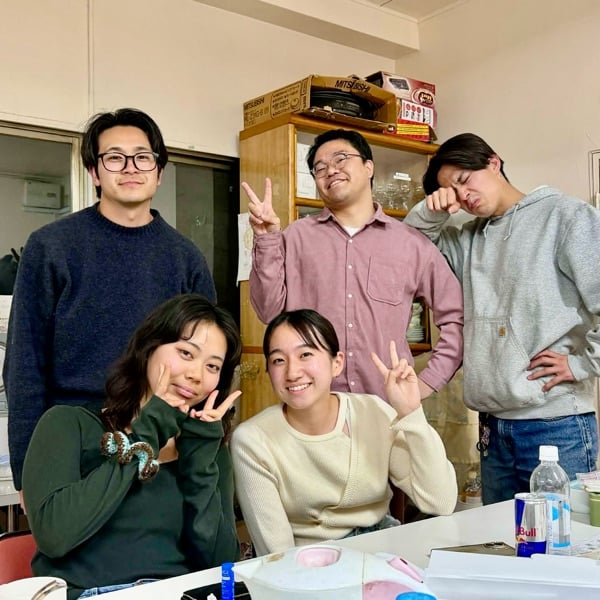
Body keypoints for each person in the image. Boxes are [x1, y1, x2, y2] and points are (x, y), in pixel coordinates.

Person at [4, 107, 216, 493]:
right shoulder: (51, 247)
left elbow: (207, 360)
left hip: (163, 439)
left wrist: (198, 447)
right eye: (115, 157)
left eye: (143, 157)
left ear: (159, 171)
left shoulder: (186, 259)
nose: (130, 167)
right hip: (74, 440)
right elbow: (24, 363)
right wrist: (26, 470)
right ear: (94, 172)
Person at [404, 132, 600, 504]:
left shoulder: (565, 216)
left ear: (493, 162)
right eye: (453, 192)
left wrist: (581, 364)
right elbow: (409, 246)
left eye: (464, 180)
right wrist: (431, 209)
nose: (464, 196)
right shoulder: (466, 239)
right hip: (493, 427)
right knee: (501, 538)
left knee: (561, 538)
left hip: (557, 425)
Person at [22, 294, 241, 599]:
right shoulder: (68, 424)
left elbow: (222, 565)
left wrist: (200, 458)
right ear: (149, 347)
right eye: (186, 353)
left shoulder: (205, 449)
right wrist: (146, 434)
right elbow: (54, 536)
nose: (196, 375)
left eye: (213, 366)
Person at [242, 128, 463, 402]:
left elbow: (456, 318)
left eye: (341, 159)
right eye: (319, 168)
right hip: (312, 406)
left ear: (369, 167)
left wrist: (428, 382)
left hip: (386, 407)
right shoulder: (295, 237)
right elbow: (268, 312)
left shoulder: (411, 243)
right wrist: (266, 239)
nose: (330, 170)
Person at [230, 309, 457, 556]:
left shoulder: (373, 412)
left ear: (336, 363)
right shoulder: (252, 440)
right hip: (308, 561)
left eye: (305, 354)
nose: (292, 372)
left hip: (381, 550)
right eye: (278, 360)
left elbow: (440, 501)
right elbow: (278, 553)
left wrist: (411, 413)